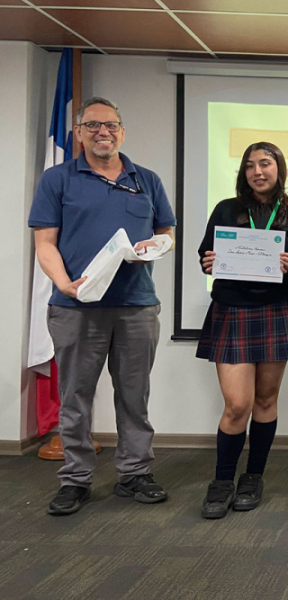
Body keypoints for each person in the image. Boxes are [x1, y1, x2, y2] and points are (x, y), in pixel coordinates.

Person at [29, 97, 177, 516]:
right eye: (92, 125)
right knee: (75, 395)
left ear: (122, 131)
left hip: (136, 305)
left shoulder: (145, 179)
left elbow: (166, 232)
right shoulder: (57, 180)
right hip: (76, 307)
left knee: (135, 395)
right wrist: (65, 285)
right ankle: (75, 479)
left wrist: (158, 245)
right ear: (79, 133)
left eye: (110, 125)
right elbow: (45, 244)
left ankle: (134, 473)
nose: (102, 132)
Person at [196, 141, 288, 519]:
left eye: (265, 164)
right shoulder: (226, 210)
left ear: (279, 169)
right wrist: (210, 260)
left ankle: (253, 476)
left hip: (276, 311)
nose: (257, 172)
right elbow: (205, 257)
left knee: (265, 401)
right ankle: (222, 480)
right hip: (232, 310)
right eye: (250, 165)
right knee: (237, 405)